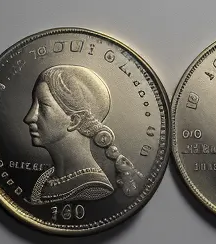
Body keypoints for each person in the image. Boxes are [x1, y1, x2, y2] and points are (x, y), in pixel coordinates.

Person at [23, 64, 142, 204]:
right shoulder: (47, 178)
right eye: (33, 105)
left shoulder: (94, 190)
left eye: (42, 107)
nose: (29, 117)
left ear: (74, 120)